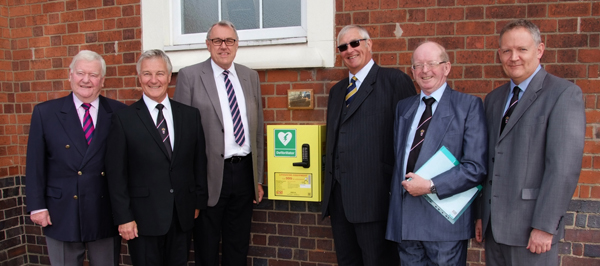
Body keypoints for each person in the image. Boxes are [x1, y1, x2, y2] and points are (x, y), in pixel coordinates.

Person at [475, 19, 585, 266]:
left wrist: (545, 226)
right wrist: (481, 215)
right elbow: (488, 162)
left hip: (531, 231)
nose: (513, 57)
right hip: (494, 229)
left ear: (539, 50)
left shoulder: (563, 94)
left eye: (522, 49)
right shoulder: (494, 99)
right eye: (506, 50)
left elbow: (563, 168)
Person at [321, 24, 416, 266]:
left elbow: (410, 141)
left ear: (369, 44)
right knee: (347, 260)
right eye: (343, 47)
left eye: (355, 43)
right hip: (340, 200)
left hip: (376, 199)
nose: (349, 50)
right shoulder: (337, 91)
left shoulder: (394, 81)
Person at [385, 41, 487, 266]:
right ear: (412, 72)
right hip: (406, 222)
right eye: (418, 65)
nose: (425, 70)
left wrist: (431, 185)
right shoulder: (404, 108)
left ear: (447, 68)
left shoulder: (468, 106)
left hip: (444, 226)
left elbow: (475, 167)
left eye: (432, 63)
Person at [173, 20, 264, 266]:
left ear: (236, 45)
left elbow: (257, 132)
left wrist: (257, 178)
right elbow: (181, 137)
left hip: (244, 173)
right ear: (208, 44)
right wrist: (189, 185)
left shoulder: (250, 76)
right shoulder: (190, 76)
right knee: (206, 245)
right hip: (208, 176)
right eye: (217, 41)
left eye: (229, 41)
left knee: (238, 244)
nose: (224, 46)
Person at [105, 49, 207, 266]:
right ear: (139, 78)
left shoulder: (189, 115)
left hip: (181, 215)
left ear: (169, 77)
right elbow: (116, 173)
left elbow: (199, 162)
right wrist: (123, 217)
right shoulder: (123, 119)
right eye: (147, 74)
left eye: (160, 73)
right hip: (142, 219)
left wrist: (197, 202)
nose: (154, 80)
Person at [25, 50, 126, 265]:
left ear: (102, 80)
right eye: (81, 73)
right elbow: (35, 164)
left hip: (104, 211)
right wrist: (37, 206)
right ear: (70, 75)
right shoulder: (45, 113)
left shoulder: (119, 113)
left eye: (93, 75)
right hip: (61, 212)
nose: (86, 80)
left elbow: (126, 165)